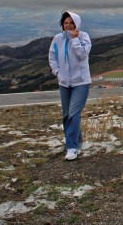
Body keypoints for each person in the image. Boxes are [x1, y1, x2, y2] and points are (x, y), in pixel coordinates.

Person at [48, 11, 92, 161]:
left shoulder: (83, 37)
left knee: (74, 113)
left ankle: (71, 147)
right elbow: (52, 56)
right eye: (66, 23)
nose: (68, 25)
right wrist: (57, 72)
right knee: (67, 115)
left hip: (81, 82)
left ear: (76, 24)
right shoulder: (57, 39)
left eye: (71, 23)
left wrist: (75, 39)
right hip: (64, 83)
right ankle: (75, 142)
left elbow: (82, 54)